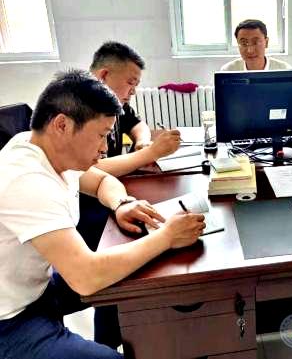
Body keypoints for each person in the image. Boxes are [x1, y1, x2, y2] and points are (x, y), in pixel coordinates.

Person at [0, 70, 206, 359]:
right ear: (62, 125)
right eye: (101, 135)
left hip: (36, 287)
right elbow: (85, 277)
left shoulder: (42, 147)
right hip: (11, 320)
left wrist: (121, 203)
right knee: (114, 274)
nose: (104, 147)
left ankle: (109, 342)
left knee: (127, 278)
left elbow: (101, 182)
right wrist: (166, 237)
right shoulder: (26, 179)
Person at [90, 41, 181, 177]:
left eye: (135, 85)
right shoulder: (79, 110)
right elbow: (90, 171)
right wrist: (151, 153)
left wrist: (142, 141)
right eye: (130, 83)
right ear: (103, 76)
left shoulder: (116, 104)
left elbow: (137, 124)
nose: (133, 92)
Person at [220, 19, 291, 71]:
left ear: (266, 43)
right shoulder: (228, 71)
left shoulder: (284, 70)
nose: (250, 50)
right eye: (244, 43)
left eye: (255, 42)